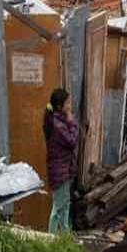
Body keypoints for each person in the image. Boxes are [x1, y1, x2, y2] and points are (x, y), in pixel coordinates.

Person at [44, 88, 78, 233]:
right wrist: (72, 122)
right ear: (59, 106)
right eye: (67, 103)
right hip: (60, 171)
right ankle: (51, 239)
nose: (70, 106)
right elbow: (72, 141)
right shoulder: (58, 125)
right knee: (58, 207)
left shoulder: (58, 121)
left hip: (63, 170)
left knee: (65, 205)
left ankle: (65, 236)